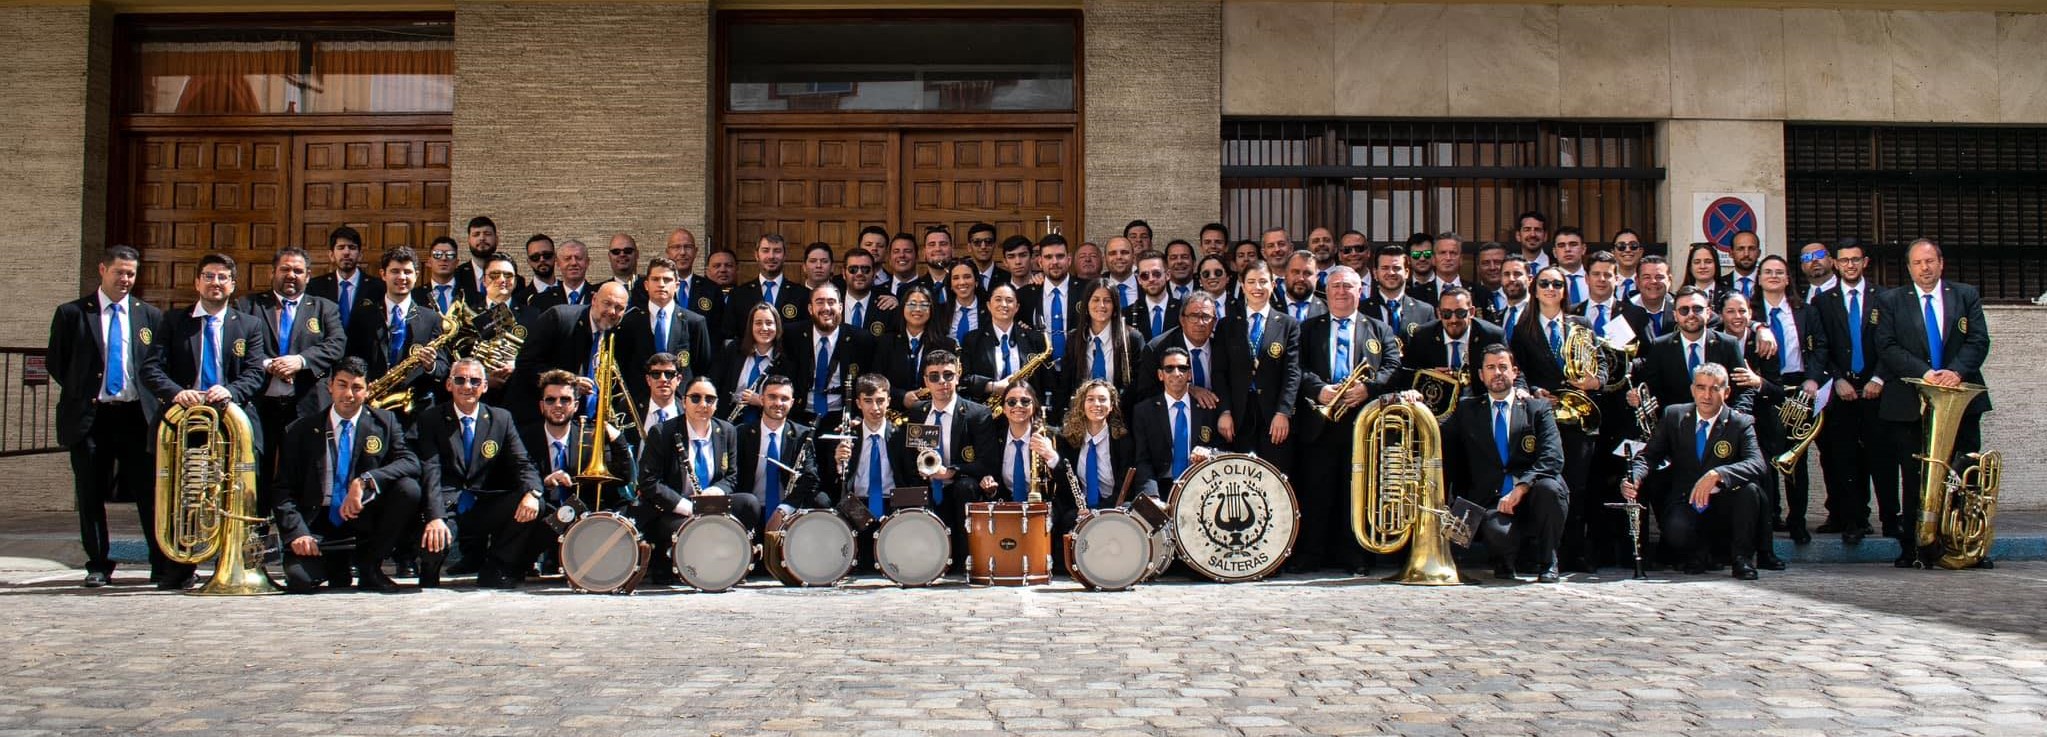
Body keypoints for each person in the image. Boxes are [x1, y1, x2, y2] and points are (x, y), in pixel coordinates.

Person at [47, 246, 169, 587]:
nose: (126, 280)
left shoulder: (149, 315)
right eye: (120, 272)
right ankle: (98, 564)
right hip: (91, 417)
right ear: (103, 270)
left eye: (131, 274)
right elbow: (58, 362)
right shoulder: (72, 313)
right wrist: (87, 390)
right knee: (90, 493)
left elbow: (155, 364)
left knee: (149, 494)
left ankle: (160, 565)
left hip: (135, 418)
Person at [1873, 238, 1991, 568]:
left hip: (1959, 399)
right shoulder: (1892, 300)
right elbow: (1886, 345)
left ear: (1941, 263)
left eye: (1930, 261)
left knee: (1964, 473)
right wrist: (1924, 373)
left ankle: (1965, 547)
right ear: (1909, 268)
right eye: (1918, 263)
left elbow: (1979, 340)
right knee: (1914, 477)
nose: (1925, 268)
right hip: (1910, 401)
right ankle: (1914, 547)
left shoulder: (1965, 295)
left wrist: (1955, 371)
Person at [272, 357, 423, 593]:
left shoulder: (385, 422)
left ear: (368, 389)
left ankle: (370, 566)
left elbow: (411, 462)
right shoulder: (300, 430)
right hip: (318, 523)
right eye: (342, 385)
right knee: (300, 580)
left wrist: (365, 481)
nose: (349, 394)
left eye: (357, 387)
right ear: (330, 385)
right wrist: (297, 533)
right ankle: (335, 567)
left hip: (362, 520)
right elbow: (283, 489)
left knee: (409, 488)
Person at [1292, 266, 1400, 573]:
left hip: (1362, 424)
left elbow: (1393, 366)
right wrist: (1319, 390)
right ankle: (1312, 554)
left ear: (1360, 291)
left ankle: (1355, 555)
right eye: (1336, 286)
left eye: (1348, 286)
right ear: (1326, 292)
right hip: (1320, 422)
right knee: (1316, 489)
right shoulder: (1308, 328)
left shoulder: (1379, 328)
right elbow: (1296, 368)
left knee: (1357, 490)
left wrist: (1368, 388)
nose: (1341, 291)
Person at [1623, 362, 1768, 579]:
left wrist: (1718, 475)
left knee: (1750, 492)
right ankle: (1697, 555)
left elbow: (1757, 463)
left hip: (1725, 502)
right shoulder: (1674, 416)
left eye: (1714, 388)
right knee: (1676, 531)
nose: (1707, 395)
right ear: (1693, 390)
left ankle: (1742, 559)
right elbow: (1650, 456)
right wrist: (1634, 477)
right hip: (1688, 499)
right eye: (1701, 387)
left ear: (1726, 392)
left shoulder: (1740, 422)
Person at [413, 359, 544, 588]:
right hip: (446, 505)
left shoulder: (500, 419)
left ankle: (495, 567)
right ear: (449, 385)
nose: (467, 386)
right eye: (460, 380)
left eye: (474, 381)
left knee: (535, 505)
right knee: (433, 547)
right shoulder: (431, 419)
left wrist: (532, 492)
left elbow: (523, 462)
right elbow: (430, 471)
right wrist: (435, 517)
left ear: (484, 386)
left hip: (482, 504)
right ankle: (430, 567)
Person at [1440, 345, 1566, 582]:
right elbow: (1437, 433)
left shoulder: (1537, 408)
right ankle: (1504, 560)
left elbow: (1552, 457)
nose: (1497, 373)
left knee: (1550, 488)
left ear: (1514, 372)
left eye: (1502, 367)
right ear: (1481, 375)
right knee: (1498, 534)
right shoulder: (1467, 409)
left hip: (1531, 496)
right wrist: (1411, 402)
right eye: (1490, 367)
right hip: (1493, 500)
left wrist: (1522, 486)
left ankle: (1549, 561)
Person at [1505, 265, 1601, 571]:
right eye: (1544, 283)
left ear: (1565, 289)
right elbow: (1517, 374)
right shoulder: (1523, 328)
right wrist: (1533, 391)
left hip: (1578, 416)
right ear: (1534, 289)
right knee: (1547, 485)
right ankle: (1546, 551)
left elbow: (1601, 364)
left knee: (1578, 485)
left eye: (1557, 284)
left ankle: (1575, 550)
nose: (1550, 288)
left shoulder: (1581, 323)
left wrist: (1593, 381)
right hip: (1545, 417)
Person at [238, 247, 347, 510]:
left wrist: (300, 361)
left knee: (304, 468)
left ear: (308, 276)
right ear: (273, 272)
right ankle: (258, 531)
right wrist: (268, 364)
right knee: (258, 469)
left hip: (305, 404)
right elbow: (238, 344)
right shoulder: (248, 306)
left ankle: (300, 533)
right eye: (285, 269)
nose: (291, 275)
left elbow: (336, 344)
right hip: (260, 405)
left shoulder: (324, 308)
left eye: (298, 271)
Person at [1810, 240, 1894, 544]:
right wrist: (1837, 379)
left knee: (1881, 457)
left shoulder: (1884, 297)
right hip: (1841, 391)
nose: (1850, 265)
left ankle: (1890, 520)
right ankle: (1854, 520)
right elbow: (1821, 348)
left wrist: (1880, 379)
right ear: (1835, 263)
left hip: (1877, 390)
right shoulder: (1823, 302)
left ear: (1865, 262)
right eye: (1844, 260)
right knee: (1843, 458)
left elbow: (1891, 343)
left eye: (1855, 260)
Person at [636, 375, 748, 582]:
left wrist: (713, 493)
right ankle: (685, 567)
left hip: (712, 503)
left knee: (748, 504)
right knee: (682, 530)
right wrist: (688, 507)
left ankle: (735, 563)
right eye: (695, 398)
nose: (703, 404)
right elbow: (649, 481)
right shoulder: (663, 432)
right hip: (675, 509)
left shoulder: (726, 431)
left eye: (709, 399)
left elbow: (731, 476)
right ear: (684, 401)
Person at [1752, 254, 1827, 545]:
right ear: (1759, 280)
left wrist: (1813, 378)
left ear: (1787, 279)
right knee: (1767, 456)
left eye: (1779, 272)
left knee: (1797, 457)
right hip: (1766, 388)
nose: (1773, 276)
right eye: (1767, 272)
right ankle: (1771, 517)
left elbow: (1821, 347)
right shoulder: (1750, 313)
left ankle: (1798, 520)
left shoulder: (1806, 312)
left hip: (1800, 388)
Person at [906, 350, 996, 571]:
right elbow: (908, 455)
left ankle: (966, 561)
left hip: (958, 483)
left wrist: (952, 471)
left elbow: (987, 462)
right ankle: (922, 563)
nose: (942, 382)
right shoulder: (918, 412)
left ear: (957, 376)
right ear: (926, 381)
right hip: (927, 483)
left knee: (965, 488)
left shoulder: (977, 413)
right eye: (934, 376)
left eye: (948, 375)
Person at [518, 369, 633, 534]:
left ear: (576, 405)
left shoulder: (589, 436)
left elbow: (623, 478)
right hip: (538, 522)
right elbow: (513, 480)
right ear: (541, 405)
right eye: (551, 400)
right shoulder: (524, 438)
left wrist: (618, 439)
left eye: (565, 400)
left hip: (583, 523)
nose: (558, 405)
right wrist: (544, 483)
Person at [509, 281, 631, 426]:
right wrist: (568, 382)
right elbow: (525, 364)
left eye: (619, 308)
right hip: (539, 421)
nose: (612, 311)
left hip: (587, 423)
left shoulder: (617, 332)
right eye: (607, 303)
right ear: (594, 300)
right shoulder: (559, 318)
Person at [345, 247, 447, 419]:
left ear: (416, 275)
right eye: (395, 271)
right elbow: (350, 359)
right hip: (372, 409)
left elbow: (443, 368)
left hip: (416, 412)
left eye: (407, 272)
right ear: (383, 274)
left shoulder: (432, 319)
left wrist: (431, 366)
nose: (401, 277)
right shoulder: (362, 315)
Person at [828, 374, 916, 572]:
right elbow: (833, 483)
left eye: (880, 401)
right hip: (857, 505)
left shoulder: (900, 436)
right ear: (858, 403)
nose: (875, 408)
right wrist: (838, 463)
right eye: (868, 402)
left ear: (889, 401)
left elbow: (910, 478)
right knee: (863, 562)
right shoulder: (845, 435)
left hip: (892, 503)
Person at [1222, 260, 1301, 465]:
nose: (1257, 288)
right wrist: (1225, 411)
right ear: (1242, 285)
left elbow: (1292, 372)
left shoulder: (1288, 324)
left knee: (1274, 477)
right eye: (1251, 281)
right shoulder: (1228, 324)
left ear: (1273, 285)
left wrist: (1283, 412)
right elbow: (1219, 373)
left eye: (1263, 281)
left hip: (1273, 415)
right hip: (1239, 415)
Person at [1131, 292, 1236, 444]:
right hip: (1174, 423)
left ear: (1214, 321)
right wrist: (1187, 388)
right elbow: (1146, 392)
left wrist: (1226, 411)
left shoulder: (1223, 346)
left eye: (1206, 317)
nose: (1200, 323)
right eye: (1193, 316)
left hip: (1218, 421)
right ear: (1182, 319)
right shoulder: (1158, 348)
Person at [1051, 380, 1147, 543]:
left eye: (1103, 399)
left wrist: (1096, 511)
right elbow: (1064, 487)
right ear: (1082, 405)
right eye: (1090, 399)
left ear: (1111, 406)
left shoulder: (1124, 441)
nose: (1097, 404)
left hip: (1113, 508)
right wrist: (1082, 510)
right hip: (1078, 511)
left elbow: (1124, 488)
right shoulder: (1066, 440)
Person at [738, 375, 824, 542]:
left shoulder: (803, 435)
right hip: (751, 509)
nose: (778, 403)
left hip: (785, 510)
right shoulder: (741, 433)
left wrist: (784, 509)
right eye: (772, 397)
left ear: (792, 403)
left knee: (822, 501)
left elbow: (810, 478)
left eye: (784, 398)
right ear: (761, 399)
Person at [619, 256, 713, 403]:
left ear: (677, 286)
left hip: (681, 403)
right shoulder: (629, 322)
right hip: (640, 403)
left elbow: (702, 366)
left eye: (667, 280)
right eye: (655, 279)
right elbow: (623, 364)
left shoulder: (694, 322)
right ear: (646, 285)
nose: (661, 284)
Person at [785, 282, 875, 425]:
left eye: (831, 302)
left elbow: (868, 383)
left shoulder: (861, 340)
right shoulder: (791, 335)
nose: (826, 308)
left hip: (841, 418)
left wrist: (859, 418)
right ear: (810, 308)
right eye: (819, 302)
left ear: (840, 307)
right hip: (799, 416)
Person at [1058, 277, 1145, 419]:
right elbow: (1066, 383)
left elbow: (1138, 385)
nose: (1102, 305)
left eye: (1108, 300)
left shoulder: (1132, 338)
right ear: (1086, 304)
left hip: (1122, 417)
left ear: (1115, 306)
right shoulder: (1074, 338)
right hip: (1083, 418)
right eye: (1096, 299)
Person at [961, 283, 1051, 406]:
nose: (1003, 304)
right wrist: (992, 386)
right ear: (988, 305)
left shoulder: (1035, 339)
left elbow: (1045, 382)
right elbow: (964, 380)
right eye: (998, 299)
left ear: (1017, 307)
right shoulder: (972, 339)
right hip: (985, 411)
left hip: (1024, 410)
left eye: (1009, 300)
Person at [1397, 287, 1503, 392]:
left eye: (1460, 313)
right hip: (1437, 401)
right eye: (1446, 314)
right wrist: (1429, 375)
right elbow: (1407, 373)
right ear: (1439, 313)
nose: (1453, 320)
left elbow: (1510, 371)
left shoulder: (1491, 335)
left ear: (1471, 312)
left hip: (1479, 400)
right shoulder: (1423, 335)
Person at [973, 381, 1061, 503]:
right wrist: (991, 489)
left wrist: (1052, 457)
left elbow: (1064, 482)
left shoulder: (1050, 436)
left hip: (1043, 507)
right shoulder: (995, 438)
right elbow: (995, 485)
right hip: (1007, 508)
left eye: (1025, 401)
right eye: (1011, 402)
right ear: (1003, 409)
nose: (1018, 405)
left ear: (1034, 405)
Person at [873, 285, 955, 411]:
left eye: (924, 305)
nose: (917, 309)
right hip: (894, 412)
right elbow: (877, 381)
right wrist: (902, 397)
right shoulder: (886, 342)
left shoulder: (946, 345)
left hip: (934, 411)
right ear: (903, 308)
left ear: (931, 309)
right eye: (912, 304)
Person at [713, 302, 788, 426]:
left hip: (766, 424)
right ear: (750, 326)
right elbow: (715, 384)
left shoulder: (785, 360)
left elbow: (788, 398)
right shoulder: (731, 349)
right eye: (758, 323)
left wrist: (761, 400)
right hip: (729, 421)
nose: (764, 328)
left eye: (769, 323)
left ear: (777, 326)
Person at [306, 226, 384, 333]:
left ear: (360, 255)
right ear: (331, 255)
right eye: (341, 247)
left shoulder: (379, 287)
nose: (346, 252)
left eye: (352, 247)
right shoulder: (315, 287)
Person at [1365, 245, 1432, 340]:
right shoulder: (1361, 310)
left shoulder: (1425, 311)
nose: (1391, 272)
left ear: (1407, 272)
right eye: (1385, 268)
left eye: (1396, 268)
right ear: (1375, 273)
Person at [630, 352, 686, 451]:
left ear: (679, 379)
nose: (663, 379)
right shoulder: (630, 407)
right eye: (656, 374)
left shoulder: (688, 411)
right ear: (648, 380)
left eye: (669, 374)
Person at [1123, 250, 1181, 342]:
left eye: (1156, 274)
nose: (1151, 279)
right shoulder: (1127, 315)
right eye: (1144, 275)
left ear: (1167, 275)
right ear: (1139, 280)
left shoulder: (1183, 310)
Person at [527, 239, 601, 310]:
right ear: (558, 263)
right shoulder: (541, 300)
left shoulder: (600, 296)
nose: (573, 263)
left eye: (579, 258)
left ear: (587, 262)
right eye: (567, 258)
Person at [934, 259, 990, 346]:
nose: (962, 282)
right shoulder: (940, 312)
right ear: (951, 285)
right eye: (956, 278)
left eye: (967, 277)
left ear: (976, 281)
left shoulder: (989, 311)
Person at [422, 236, 477, 314]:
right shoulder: (415, 296)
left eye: (450, 255)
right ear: (429, 262)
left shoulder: (472, 296)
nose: (444, 258)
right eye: (437, 254)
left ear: (456, 263)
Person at [1718, 231, 1764, 302]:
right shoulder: (1719, 284)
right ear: (1731, 253)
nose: (1746, 254)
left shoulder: (1767, 282)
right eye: (1741, 249)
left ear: (1759, 253)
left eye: (1751, 248)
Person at [607, 232, 646, 303]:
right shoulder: (599, 291)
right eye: (616, 252)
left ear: (637, 254)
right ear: (609, 257)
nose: (622, 254)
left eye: (628, 251)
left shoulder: (652, 287)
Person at [1682, 242, 1723, 307]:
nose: (1702, 266)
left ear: (1716, 265)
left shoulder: (1729, 294)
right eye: (1697, 262)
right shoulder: (1680, 297)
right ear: (1690, 267)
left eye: (1708, 262)